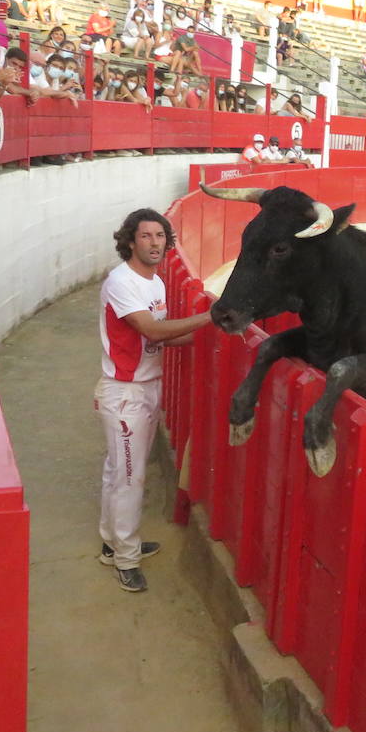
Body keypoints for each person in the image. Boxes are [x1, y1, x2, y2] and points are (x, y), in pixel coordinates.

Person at [96, 210, 210, 592]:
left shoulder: (156, 283)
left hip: (143, 387)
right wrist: (209, 319)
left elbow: (157, 339)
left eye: (160, 235)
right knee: (130, 477)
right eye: (146, 236)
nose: (155, 243)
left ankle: (115, 545)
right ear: (130, 240)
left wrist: (204, 335)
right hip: (125, 394)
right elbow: (150, 328)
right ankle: (126, 558)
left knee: (119, 472)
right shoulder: (121, 282)